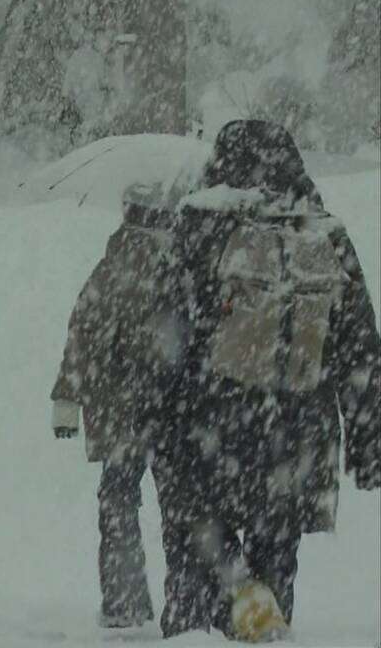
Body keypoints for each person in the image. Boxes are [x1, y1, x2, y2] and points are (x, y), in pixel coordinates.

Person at [153, 120, 381, 641]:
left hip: (206, 432)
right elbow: (360, 348)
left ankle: (198, 629)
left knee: (196, 568)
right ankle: (264, 626)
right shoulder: (322, 231)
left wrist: (156, 424)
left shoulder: (200, 225)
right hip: (294, 445)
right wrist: (369, 443)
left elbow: (166, 338)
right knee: (275, 566)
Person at [51, 182, 181, 629]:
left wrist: (66, 400)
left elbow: (83, 335)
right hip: (177, 412)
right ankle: (187, 605)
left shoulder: (115, 265)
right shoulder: (188, 260)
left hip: (122, 412)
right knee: (182, 509)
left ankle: (125, 603)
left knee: (120, 502)